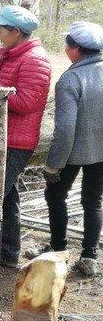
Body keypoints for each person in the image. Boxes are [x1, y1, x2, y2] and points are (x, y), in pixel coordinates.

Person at [0, 6, 52, 269]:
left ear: (16, 32)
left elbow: (28, 102)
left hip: (18, 141)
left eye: (0, 29)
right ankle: (7, 254)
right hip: (7, 136)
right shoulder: (13, 55)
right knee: (7, 197)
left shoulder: (34, 59)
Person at [41, 21, 103, 278]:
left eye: (67, 45)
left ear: (75, 49)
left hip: (72, 152)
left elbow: (65, 129)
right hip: (101, 152)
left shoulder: (71, 79)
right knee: (93, 201)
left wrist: (53, 164)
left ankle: (57, 250)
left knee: (55, 194)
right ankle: (90, 256)